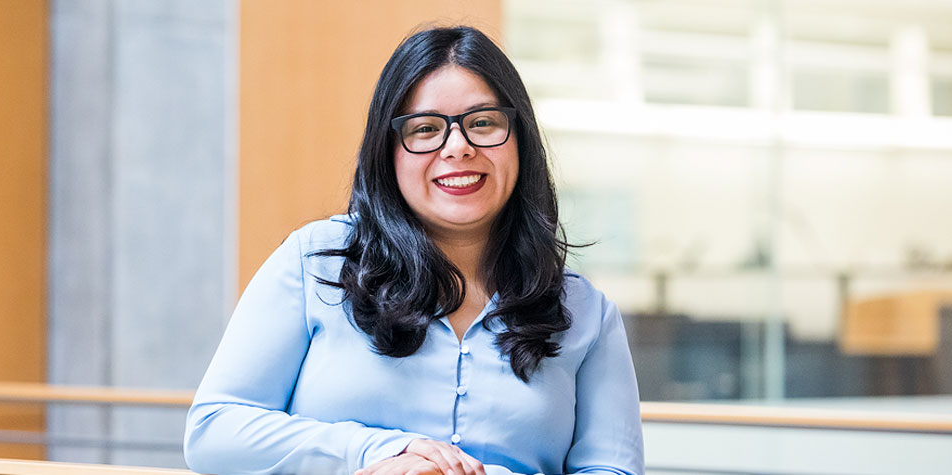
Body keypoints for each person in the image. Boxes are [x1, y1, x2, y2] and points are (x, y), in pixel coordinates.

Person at [184, 25, 643, 475]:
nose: (458, 148)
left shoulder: (585, 312)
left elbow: (612, 468)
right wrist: (384, 453)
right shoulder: (316, 262)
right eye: (425, 129)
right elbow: (214, 431)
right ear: (388, 151)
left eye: (483, 123)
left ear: (520, 140)